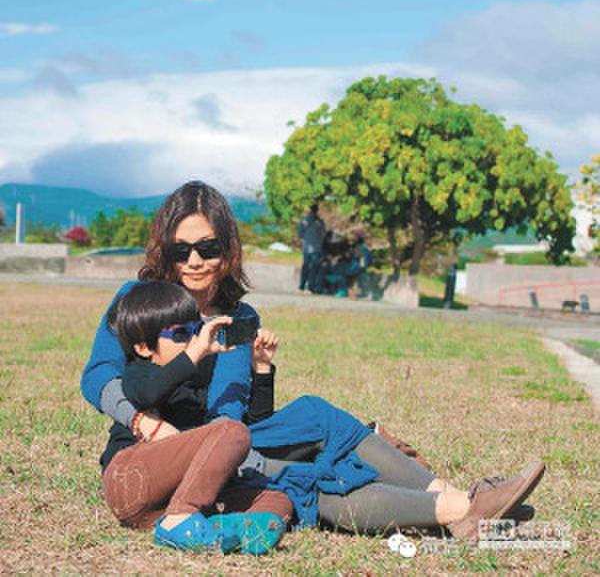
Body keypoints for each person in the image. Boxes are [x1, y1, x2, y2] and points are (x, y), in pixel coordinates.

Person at [82, 181, 545, 541]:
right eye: (181, 250)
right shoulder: (140, 301)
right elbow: (99, 375)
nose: (195, 261)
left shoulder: (239, 318)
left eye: (208, 248)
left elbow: (230, 413)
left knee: (314, 419)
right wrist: (142, 421)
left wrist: (261, 374)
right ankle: (465, 508)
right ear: (165, 250)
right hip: (160, 452)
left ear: (228, 249)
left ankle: (458, 500)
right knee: (306, 471)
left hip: (221, 441)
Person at [102, 280, 291, 554]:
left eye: (195, 332)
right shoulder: (140, 372)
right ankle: (180, 519)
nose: (194, 341)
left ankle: (223, 530)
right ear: (144, 347)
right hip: (129, 480)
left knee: (276, 498)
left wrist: (261, 369)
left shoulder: (198, 380)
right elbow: (146, 395)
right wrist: (195, 353)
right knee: (231, 431)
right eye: (181, 335)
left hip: (166, 501)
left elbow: (255, 428)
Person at [297, 203, 326, 293]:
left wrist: (306, 239)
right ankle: (310, 287)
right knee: (313, 268)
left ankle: (301, 286)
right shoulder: (320, 222)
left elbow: (300, 234)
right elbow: (323, 234)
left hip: (307, 247)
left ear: (309, 210)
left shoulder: (304, 220)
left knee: (305, 266)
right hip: (316, 248)